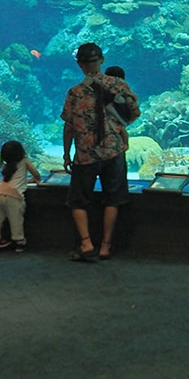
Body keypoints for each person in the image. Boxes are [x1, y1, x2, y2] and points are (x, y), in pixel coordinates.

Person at [61, 43, 140, 262]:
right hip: (113, 151)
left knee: (78, 200)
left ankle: (86, 242)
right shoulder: (118, 85)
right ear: (102, 60)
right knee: (112, 199)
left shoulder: (74, 93)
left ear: (79, 64)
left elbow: (68, 126)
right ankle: (106, 245)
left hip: (85, 153)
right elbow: (134, 112)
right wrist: (118, 128)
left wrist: (67, 154)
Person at [0, 140, 42, 253]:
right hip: (13, 196)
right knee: (16, 219)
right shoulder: (24, 161)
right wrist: (37, 180)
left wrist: (26, 181)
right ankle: (19, 242)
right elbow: (36, 174)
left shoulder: (6, 165)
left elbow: (12, 180)